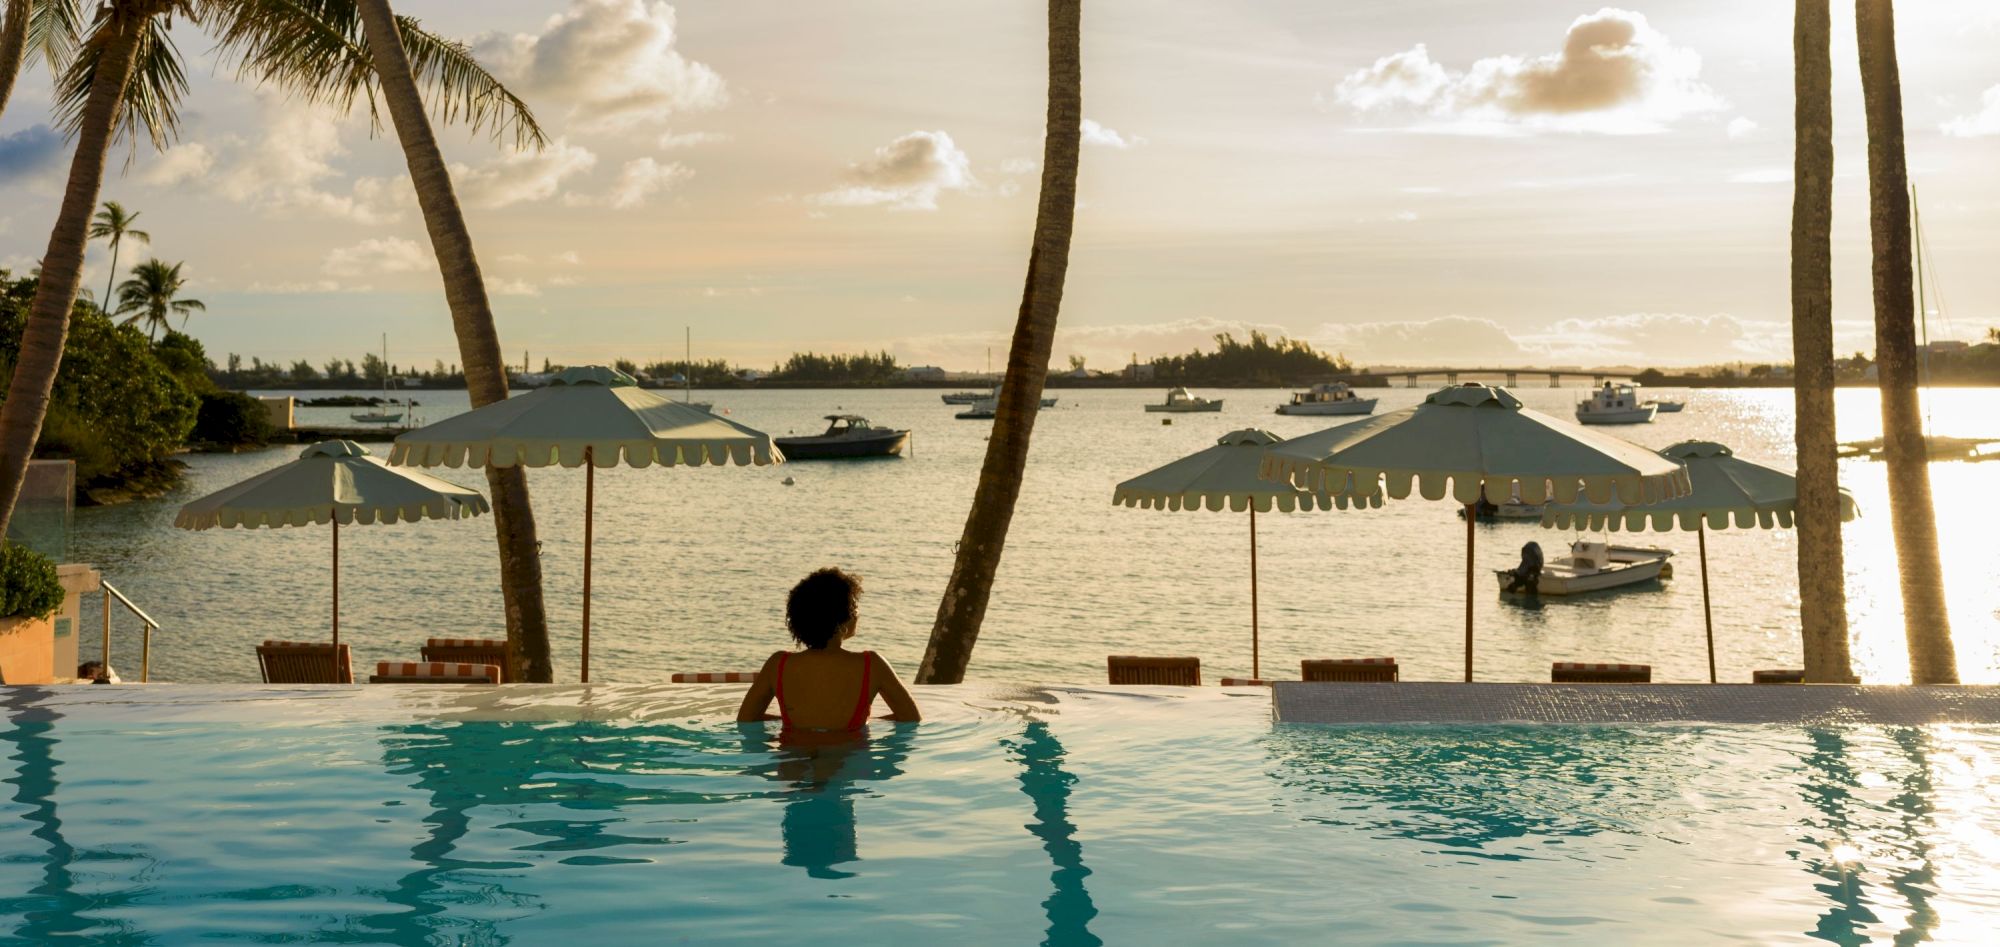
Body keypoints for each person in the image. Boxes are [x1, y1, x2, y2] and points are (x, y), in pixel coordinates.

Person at [737, 568, 920, 740]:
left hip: (794, 760)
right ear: (841, 619)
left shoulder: (778, 664)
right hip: (850, 760)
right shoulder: (872, 664)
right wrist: (865, 723)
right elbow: (911, 719)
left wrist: (790, 724)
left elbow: (746, 720)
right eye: (854, 607)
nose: (858, 614)